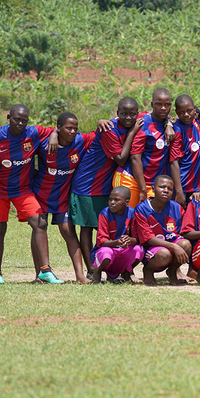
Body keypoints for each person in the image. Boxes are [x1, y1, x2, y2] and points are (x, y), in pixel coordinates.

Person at [0, 104, 63, 284]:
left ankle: (45, 271)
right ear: (9, 118)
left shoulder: (33, 133)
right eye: (17, 119)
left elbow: (57, 127)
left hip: (23, 189)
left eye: (25, 120)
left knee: (40, 223)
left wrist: (54, 134)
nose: (21, 123)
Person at [70, 97, 142, 277]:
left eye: (132, 114)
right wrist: (132, 133)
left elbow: (159, 116)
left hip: (105, 184)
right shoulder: (110, 130)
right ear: (117, 114)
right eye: (124, 114)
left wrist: (170, 123)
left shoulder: (132, 120)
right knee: (87, 227)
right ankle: (91, 268)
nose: (128, 117)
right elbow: (121, 158)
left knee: (102, 225)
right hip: (88, 184)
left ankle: (113, 265)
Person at [33, 112, 97, 284]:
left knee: (68, 231)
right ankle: (39, 274)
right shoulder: (45, 142)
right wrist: (53, 134)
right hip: (41, 194)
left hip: (62, 197)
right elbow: (29, 132)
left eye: (75, 128)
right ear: (59, 128)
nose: (72, 132)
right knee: (39, 229)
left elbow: (99, 132)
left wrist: (103, 121)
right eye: (68, 128)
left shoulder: (80, 141)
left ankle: (80, 276)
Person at [134, 175, 191, 285]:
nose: (166, 191)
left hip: (170, 244)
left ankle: (172, 271)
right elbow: (148, 239)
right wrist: (173, 246)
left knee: (186, 244)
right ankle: (148, 271)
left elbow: (183, 231)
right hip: (152, 249)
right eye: (162, 187)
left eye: (170, 189)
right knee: (164, 254)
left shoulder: (176, 207)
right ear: (153, 189)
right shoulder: (142, 208)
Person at [130, 89, 174, 205]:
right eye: (159, 104)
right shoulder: (143, 122)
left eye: (167, 105)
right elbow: (135, 158)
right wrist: (143, 189)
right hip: (133, 181)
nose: (163, 108)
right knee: (128, 219)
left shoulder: (171, 124)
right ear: (152, 105)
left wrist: (168, 123)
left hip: (153, 183)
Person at [91, 187, 143, 283]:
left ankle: (126, 272)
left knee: (139, 250)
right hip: (107, 251)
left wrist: (129, 240)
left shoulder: (131, 213)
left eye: (117, 200)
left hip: (122, 251)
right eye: (110, 199)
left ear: (126, 202)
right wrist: (117, 242)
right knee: (106, 253)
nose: (112, 202)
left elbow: (138, 239)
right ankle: (97, 271)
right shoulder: (105, 213)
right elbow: (101, 242)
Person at [169, 95, 200, 206]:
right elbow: (174, 162)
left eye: (189, 111)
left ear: (194, 109)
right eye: (182, 112)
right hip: (184, 186)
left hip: (195, 186)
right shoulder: (177, 131)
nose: (186, 115)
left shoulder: (196, 122)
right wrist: (179, 192)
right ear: (177, 113)